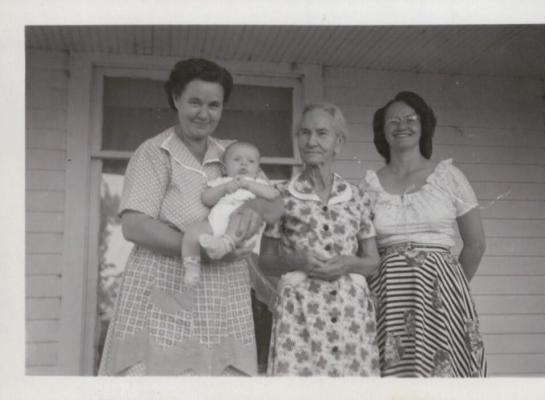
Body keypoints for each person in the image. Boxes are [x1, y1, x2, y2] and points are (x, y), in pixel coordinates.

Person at [98, 58, 282, 376]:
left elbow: (275, 204)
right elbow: (135, 226)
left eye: (214, 105)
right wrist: (198, 249)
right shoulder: (155, 152)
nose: (204, 113)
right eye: (195, 102)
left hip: (223, 293)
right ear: (176, 98)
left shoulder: (233, 154)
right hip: (164, 285)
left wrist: (251, 210)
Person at [361, 91, 487, 377]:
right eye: (393, 121)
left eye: (411, 118)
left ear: (424, 125)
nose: (402, 125)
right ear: (382, 131)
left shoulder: (449, 177)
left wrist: (449, 288)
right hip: (387, 296)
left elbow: (476, 244)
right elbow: (362, 248)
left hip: (441, 295)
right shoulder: (369, 186)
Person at [259, 103, 381, 377]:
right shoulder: (281, 196)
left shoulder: (357, 197)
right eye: (304, 133)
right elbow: (265, 261)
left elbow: (373, 261)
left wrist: (348, 263)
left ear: (338, 143)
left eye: (321, 133)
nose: (311, 141)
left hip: (350, 316)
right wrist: (295, 260)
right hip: (300, 315)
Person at [181, 141, 279, 286]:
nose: (244, 163)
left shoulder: (259, 183)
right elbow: (206, 199)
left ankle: (225, 244)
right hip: (216, 223)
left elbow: (273, 195)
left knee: (240, 216)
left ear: (258, 170)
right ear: (224, 168)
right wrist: (225, 188)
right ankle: (192, 265)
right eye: (237, 160)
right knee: (193, 231)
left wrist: (249, 184)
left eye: (250, 161)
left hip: (243, 225)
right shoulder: (222, 182)